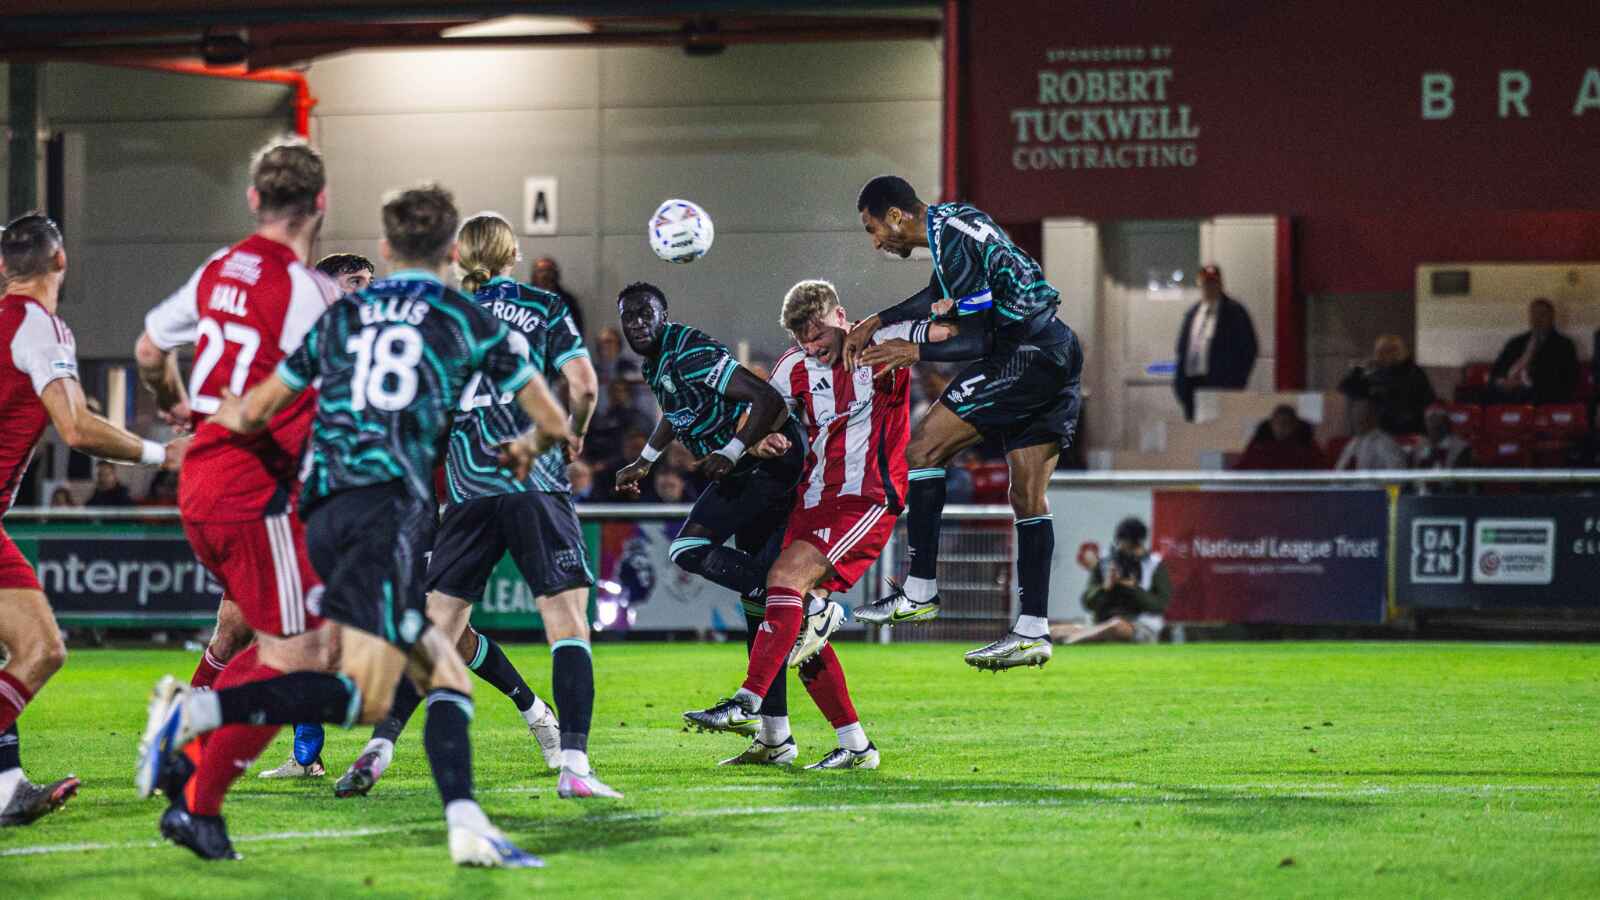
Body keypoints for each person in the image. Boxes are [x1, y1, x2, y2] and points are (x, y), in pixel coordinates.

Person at [136, 183, 572, 868]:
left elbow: (254, 409)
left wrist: (197, 431)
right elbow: (551, 413)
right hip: (387, 515)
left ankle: (463, 823)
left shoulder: (343, 316)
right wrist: (534, 445)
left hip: (321, 510)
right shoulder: (464, 316)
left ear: (385, 248)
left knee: (383, 667)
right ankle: (199, 718)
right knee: (410, 679)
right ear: (453, 252)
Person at [332, 212, 611, 801]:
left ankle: (377, 750)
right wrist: (575, 429)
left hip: (465, 491)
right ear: (513, 254)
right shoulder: (543, 307)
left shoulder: (442, 319)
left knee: (436, 631)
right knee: (566, 625)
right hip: (533, 480)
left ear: (459, 258)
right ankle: (576, 767)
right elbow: (583, 385)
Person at [134, 139, 345, 829]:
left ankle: (193, 781)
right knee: (304, 657)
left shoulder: (218, 268)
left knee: (274, 639)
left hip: (201, 478)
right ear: (321, 204)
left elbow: (147, 349)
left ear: (254, 199)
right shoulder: (310, 292)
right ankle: (191, 744)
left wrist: (171, 399)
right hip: (255, 486)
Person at [685, 279, 944, 768]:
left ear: (841, 315)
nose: (813, 347)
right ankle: (854, 745)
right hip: (813, 499)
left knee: (783, 583)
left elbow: (941, 329)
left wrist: (932, 327)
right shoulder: (793, 367)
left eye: (819, 334)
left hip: (866, 496)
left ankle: (748, 702)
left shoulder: (879, 343)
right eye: (802, 340)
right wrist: (752, 443)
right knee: (795, 626)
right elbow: (763, 413)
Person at [841, 175, 1082, 671]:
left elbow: (975, 342)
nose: (875, 242)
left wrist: (915, 350)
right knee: (1027, 496)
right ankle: (1033, 629)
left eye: (872, 229)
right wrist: (878, 319)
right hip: (1056, 349)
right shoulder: (955, 220)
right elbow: (940, 294)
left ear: (895, 216)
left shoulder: (948, 241)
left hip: (1025, 355)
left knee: (922, 451)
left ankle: (920, 590)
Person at [0, 212, 184, 827]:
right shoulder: (40, 328)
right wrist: (163, 453)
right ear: (60, 262)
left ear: (4, 268)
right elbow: (77, 428)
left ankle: (5, 788)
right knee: (42, 648)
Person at [610, 281, 805, 758]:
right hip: (746, 467)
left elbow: (769, 401)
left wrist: (734, 448)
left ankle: (800, 608)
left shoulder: (689, 350)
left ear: (664, 314)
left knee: (689, 550)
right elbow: (676, 412)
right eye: (628, 316)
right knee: (756, 609)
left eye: (645, 314)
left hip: (767, 463)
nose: (636, 323)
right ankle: (775, 737)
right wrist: (647, 460)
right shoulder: (657, 361)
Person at [1066, 517, 1171, 645]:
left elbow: (1160, 605)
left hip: (1139, 625)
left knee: (1117, 627)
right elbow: (1087, 603)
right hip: (1101, 623)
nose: (1125, 552)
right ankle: (1080, 637)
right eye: (1122, 545)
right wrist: (1105, 588)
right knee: (1056, 631)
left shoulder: (1154, 565)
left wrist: (1134, 589)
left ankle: (1075, 640)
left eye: (1129, 547)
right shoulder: (1106, 563)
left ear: (1139, 544)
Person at [1173, 264, 1258, 421]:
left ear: (1220, 284)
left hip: (1221, 384)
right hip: (1192, 384)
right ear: (1200, 284)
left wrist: (1236, 381)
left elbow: (1249, 349)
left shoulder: (1234, 312)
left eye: (1213, 283)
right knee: (1195, 430)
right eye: (1206, 283)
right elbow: (1182, 349)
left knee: (1219, 430)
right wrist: (1180, 384)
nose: (1210, 287)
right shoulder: (1193, 313)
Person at [1338, 335, 1436, 435]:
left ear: (1395, 352)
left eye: (1382, 352)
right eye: (1377, 352)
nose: (1377, 356)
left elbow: (1405, 400)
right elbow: (1346, 387)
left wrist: (1377, 392)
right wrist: (1359, 369)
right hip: (1377, 430)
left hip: (1406, 430)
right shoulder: (1378, 373)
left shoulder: (1414, 373)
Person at [1489, 298, 1579, 404]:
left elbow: (1566, 378)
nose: (1537, 319)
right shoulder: (1516, 342)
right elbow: (1498, 368)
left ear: (1552, 317)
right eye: (1533, 314)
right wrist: (1502, 381)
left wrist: (1526, 383)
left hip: (1541, 393)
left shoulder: (1564, 345)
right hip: (1509, 389)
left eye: (1542, 314)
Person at [1233, 405, 1327, 471]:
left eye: (1286, 423)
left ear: (1295, 425)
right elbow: (1242, 468)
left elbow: (1321, 471)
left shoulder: (1306, 444)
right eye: (1277, 423)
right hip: (1262, 493)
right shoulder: (1259, 444)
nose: (1281, 427)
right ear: (1271, 424)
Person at [1334, 399, 1408, 471]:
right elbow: (1338, 474)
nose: (1356, 418)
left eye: (1362, 413)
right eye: (1355, 413)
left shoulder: (1386, 444)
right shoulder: (1352, 444)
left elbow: (1397, 478)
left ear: (1374, 415)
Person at [530, 256, 585, 338]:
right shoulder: (524, 297)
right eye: (541, 271)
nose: (545, 275)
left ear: (556, 274)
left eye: (549, 270)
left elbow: (576, 328)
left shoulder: (567, 301)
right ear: (534, 275)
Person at [1412, 404, 1472, 473]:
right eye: (1430, 419)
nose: (1433, 424)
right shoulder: (1420, 446)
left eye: (1437, 419)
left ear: (1445, 422)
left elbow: (1461, 477)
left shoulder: (1461, 447)